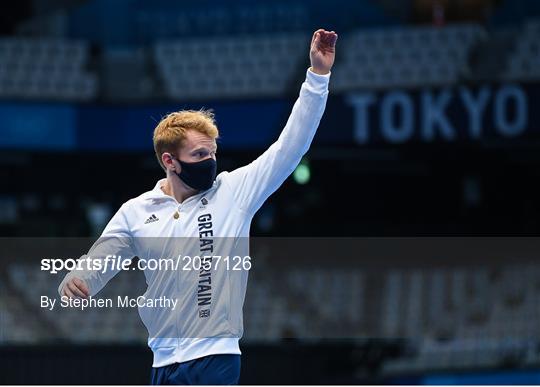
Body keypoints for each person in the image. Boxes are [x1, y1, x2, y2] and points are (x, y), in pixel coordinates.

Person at [58, 28, 337, 385]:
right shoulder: (136, 211)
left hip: (214, 358)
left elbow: (291, 147)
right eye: (200, 154)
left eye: (213, 153)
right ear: (170, 161)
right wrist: (77, 280)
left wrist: (317, 76)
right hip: (163, 362)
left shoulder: (234, 192)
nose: (211, 161)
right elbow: (99, 261)